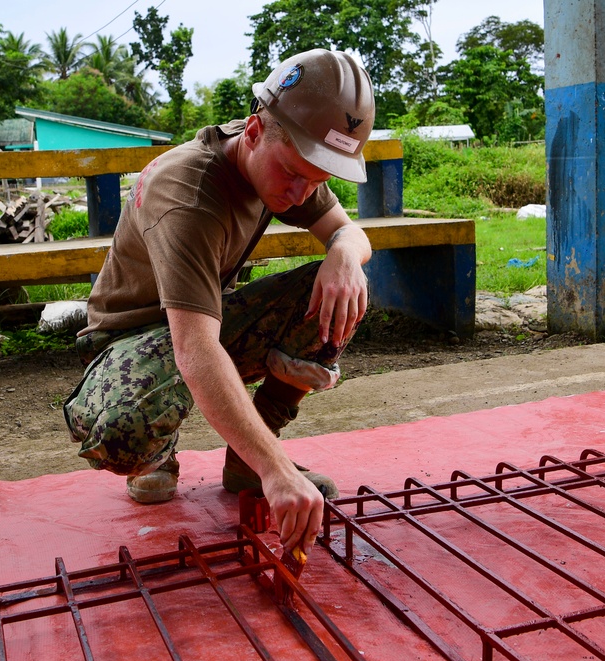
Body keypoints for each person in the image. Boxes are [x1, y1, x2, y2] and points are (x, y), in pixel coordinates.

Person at [63, 48, 375, 559]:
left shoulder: (294, 154)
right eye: (294, 174)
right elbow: (195, 348)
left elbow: (347, 231)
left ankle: (246, 462)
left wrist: (343, 253)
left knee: (343, 290)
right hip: (126, 341)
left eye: (318, 181)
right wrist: (280, 471)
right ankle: (162, 454)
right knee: (124, 431)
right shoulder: (188, 191)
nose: (301, 194)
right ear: (253, 132)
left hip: (200, 318)